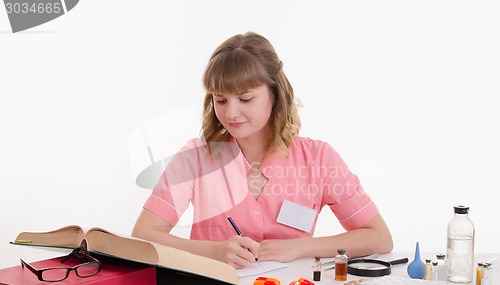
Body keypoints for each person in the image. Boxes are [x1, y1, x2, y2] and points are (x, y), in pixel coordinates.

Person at [132, 32, 393, 268]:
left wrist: (300, 247)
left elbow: (379, 238)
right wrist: (211, 251)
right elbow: (144, 234)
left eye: (246, 99)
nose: (230, 113)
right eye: (220, 100)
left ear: (275, 94)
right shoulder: (196, 157)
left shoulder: (319, 159)